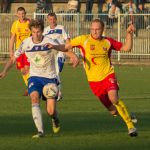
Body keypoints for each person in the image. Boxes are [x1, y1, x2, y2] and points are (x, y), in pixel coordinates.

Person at [0, 19, 79, 138]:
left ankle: (55, 119)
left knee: (51, 111)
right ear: (31, 31)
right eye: (33, 32)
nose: (36, 34)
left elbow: (62, 48)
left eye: (38, 32)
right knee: (34, 98)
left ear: (42, 31)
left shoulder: (48, 41)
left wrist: (73, 56)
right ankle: (40, 131)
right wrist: (4, 71)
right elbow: (13, 58)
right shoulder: (26, 43)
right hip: (35, 77)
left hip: (50, 78)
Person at [65, 18, 138, 137]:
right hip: (94, 81)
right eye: (92, 29)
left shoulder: (107, 42)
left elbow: (126, 48)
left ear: (102, 30)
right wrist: (54, 46)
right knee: (113, 111)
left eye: (97, 29)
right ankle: (128, 115)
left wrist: (129, 34)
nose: (94, 31)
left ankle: (130, 126)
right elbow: (65, 46)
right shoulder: (83, 40)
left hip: (108, 75)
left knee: (114, 98)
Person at [43, 12, 71, 101]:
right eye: (50, 19)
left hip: (60, 52)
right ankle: (58, 93)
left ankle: (56, 92)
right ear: (48, 20)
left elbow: (68, 40)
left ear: (56, 19)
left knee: (57, 71)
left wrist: (69, 53)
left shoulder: (61, 28)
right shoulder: (45, 30)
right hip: (50, 55)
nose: (52, 21)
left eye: (54, 19)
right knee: (53, 73)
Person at [9, 7, 31, 96]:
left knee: (27, 68)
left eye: (23, 13)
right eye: (20, 14)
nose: (21, 15)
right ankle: (29, 86)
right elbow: (12, 38)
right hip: (19, 50)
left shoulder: (29, 22)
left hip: (29, 49)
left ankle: (31, 87)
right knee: (22, 71)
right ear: (17, 14)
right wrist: (11, 51)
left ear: (25, 13)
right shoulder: (15, 24)